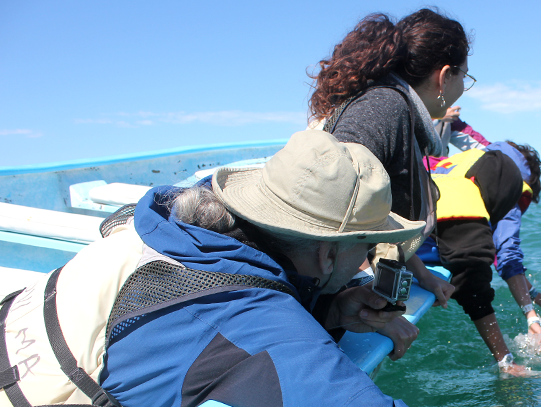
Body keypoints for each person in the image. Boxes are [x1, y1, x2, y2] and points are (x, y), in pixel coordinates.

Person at [0, 131, 421, 406]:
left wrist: (329, 312)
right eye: (365, 246)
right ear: (329, 255)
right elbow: (244, 329)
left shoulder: (165, 223)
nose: (364, 260)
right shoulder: (259, 326)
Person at [309, 9, 472, 311]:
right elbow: (327, 203)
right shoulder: (386, 106)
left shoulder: (403, 114)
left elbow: (384, 220)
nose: (463, 89)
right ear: (444, 76)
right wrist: (347, 305)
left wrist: (421, 275)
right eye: (464, 77)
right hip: (310, 295)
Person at [419, 141, 541, 376]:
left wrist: (534, 294)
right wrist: (507, 358)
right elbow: (480, 273)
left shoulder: (462, 162)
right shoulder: (500, 187)